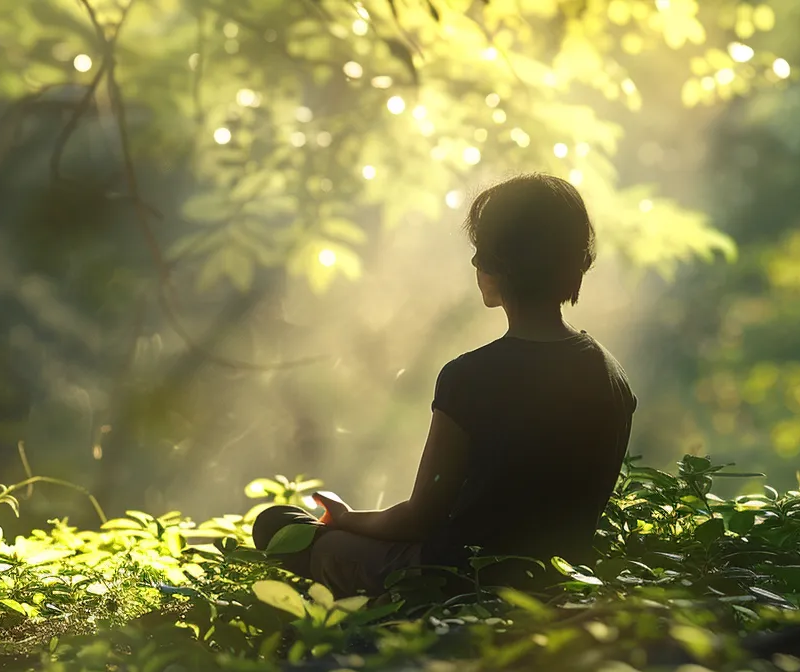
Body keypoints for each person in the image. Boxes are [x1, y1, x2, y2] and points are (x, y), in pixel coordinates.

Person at [252, 173, 637, 596]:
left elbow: (420, 519)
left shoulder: (470, 377)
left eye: (481, 251)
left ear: (501, 265)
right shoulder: (611, 376)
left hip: (453, 580)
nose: (474, 263)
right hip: (557, 584)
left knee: (276, 525)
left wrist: (346, 519)